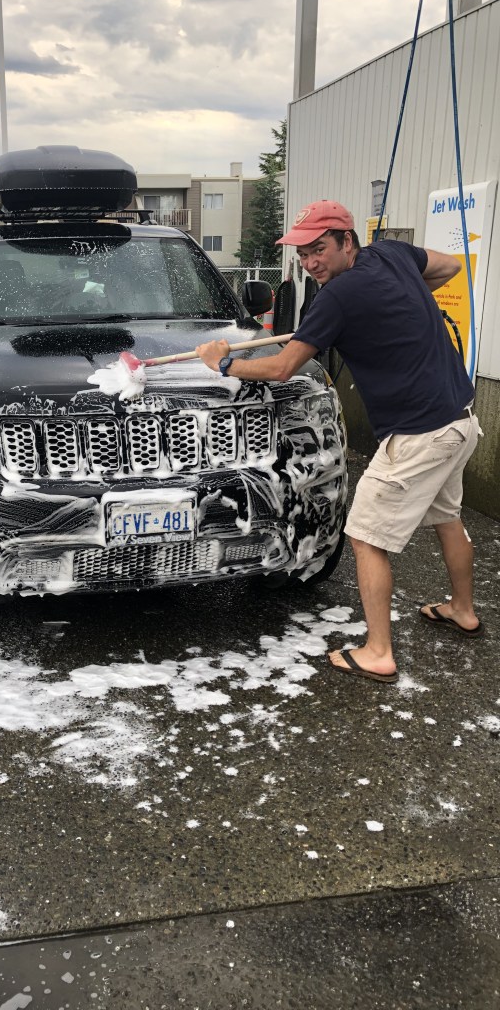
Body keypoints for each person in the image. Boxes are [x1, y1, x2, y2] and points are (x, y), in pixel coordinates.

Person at [196, 200, 483, 685]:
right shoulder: (392, 254)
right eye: (303, 254)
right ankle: (462, 609)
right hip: (459, 420)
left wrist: (222, 363)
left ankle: (378, 652)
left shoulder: (337, 297)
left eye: (319, 249)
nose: (311, 262)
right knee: (447, 516)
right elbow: (449, 266)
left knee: (366, 535)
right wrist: (399, 303)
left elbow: (281, 368)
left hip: (419, 436)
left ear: (347, 240)